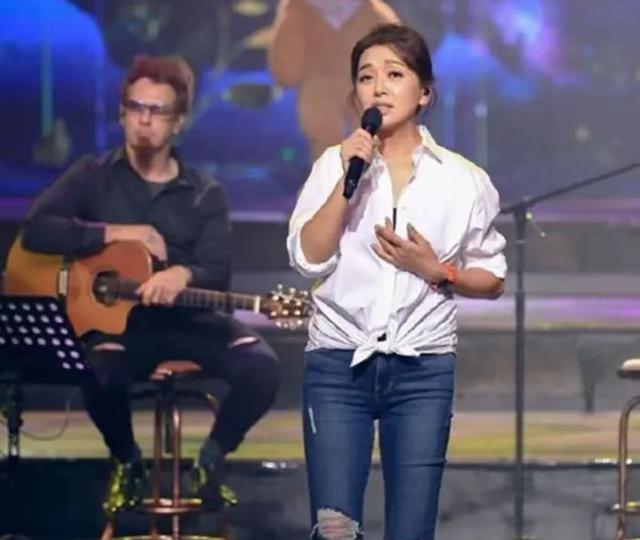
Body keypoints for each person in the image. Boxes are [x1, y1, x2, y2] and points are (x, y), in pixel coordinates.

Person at [20, 55, 280, 515]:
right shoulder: (93, 175)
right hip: (123, 330)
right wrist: (114, 233)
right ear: (122, 113)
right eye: (136, 108)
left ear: (178, 122)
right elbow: (36, 230)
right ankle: (128, 462)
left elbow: (218, 270)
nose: (144, 120)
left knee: (262, 367)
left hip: (191, 323)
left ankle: (211, 460)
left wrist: (184, 275)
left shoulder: (204, 192)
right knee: (97, 371)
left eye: (157, 111)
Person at [287, 24, 506, 540]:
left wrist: (438, 271)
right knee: (335, 530)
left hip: (422, 371)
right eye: (366, 77)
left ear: (424, 92)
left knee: (411, 530)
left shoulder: (462, 180)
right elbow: (308, 259)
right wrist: (348, 181)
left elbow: (492, 277)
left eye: (394, 74)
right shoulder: (333, 166)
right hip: (339, 364)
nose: (379, 88)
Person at [268, 0, 400, 161]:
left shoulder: (298, 11)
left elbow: (287, 71)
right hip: (364, 106)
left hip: (323, 105)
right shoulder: (376, 14)